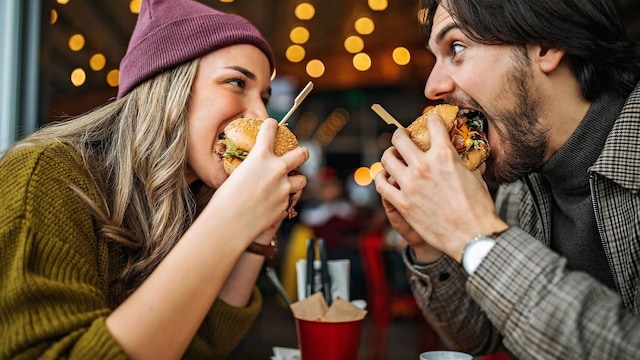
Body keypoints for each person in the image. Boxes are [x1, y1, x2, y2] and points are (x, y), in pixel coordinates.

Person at [0, 0, 308, 358]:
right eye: (237, 82)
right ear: (167, 86)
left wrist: (258, 234)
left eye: (265, 98)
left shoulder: (188, 200)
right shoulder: (44, 175)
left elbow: (202, 346)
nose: (261, 116)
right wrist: (227, 221)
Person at [374, 0, 640, 359]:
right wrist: (432, 241)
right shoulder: (520, 188)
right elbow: (482, 338)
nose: (432, 86)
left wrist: (474, 235)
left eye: (456, 47)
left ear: (545, 43)